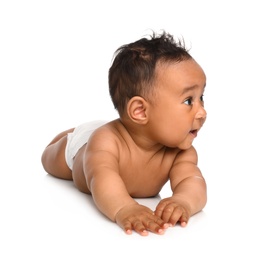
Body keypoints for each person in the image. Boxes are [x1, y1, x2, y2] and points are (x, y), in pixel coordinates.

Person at [41, 30, 207, 236]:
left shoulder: (182, 151)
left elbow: (193, 183)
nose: (202, 112)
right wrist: (124, 207)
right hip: (81, 147)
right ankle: (72, 133)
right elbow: (102, 179)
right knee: (49, 160)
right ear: (140, 110)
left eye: (202, 97)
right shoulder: (106, 142)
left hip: (114, 129)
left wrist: (183, 201)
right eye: (188, 101)